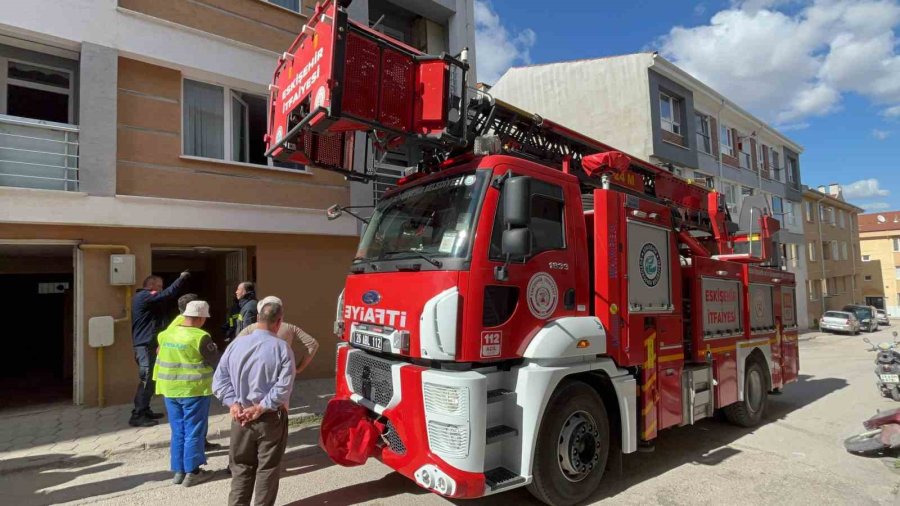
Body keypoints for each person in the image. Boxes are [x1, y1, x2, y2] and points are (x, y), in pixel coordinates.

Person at [214, 300, 295, 506]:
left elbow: (219, 380)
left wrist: (233, 404)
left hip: (240, 418)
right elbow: (283, 387)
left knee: (241, 469)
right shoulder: (282, 349)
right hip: (269, 419)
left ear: (258, 319)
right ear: (279, 322)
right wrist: (260, 407)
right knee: (267, 469)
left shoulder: (236, 344)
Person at [156, 300, 219, 486]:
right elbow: (216, 360)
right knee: (194, 431)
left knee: (178, 431)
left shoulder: (166, 334)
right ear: (200, 318)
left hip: (170, 390)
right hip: (194, 390)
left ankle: (178, 471)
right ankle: (193, 472)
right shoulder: (200, 337)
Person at [130, 271, 189, 427]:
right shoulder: (143, 296)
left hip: (148, 345)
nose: (161, 290)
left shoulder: (149, 299)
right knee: (146, 379)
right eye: (159, 287)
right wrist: (181, 278)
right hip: (144, 346)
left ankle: (145, 409)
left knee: (151, 379)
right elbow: (167, 294)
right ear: (150, 285)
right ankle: (138, 415)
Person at [237, 296, 319, 378]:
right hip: (282, 375)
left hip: (256, 375)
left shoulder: (250, 329)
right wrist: (298, 369)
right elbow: (313, 344)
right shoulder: (289, 328)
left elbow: (236, 349)